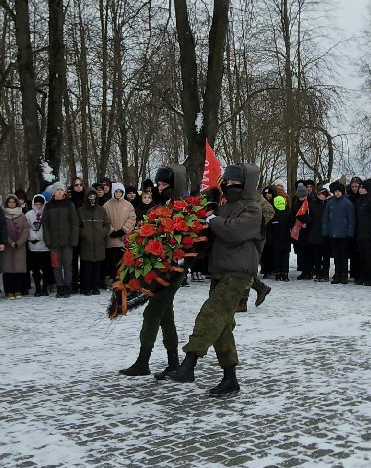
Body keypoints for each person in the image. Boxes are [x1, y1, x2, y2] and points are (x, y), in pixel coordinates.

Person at [164, 164, 263, 396]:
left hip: (238, 272)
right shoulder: (224, 207)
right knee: (222, 326)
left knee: (210, 315)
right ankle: (230, 378)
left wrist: (212, 220)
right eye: (226, 181)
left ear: (245, 183)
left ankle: (189, 364)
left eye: (233, 182)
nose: (228, 185)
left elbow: (234, 231)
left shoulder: (252, 209)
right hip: (220, 271)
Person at [121, 166, 187, 378]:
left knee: (152, 312)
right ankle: (173, 362)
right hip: (159, 267)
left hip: (173, 269)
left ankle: (143, 361)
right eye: (158, 184)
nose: (160, 188)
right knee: (166, 315)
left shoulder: (181, 208)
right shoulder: (159, 206)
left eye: (164, 184)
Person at [43, 184, 79, 297]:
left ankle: (67, 287)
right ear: (53, 192)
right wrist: (48, 241)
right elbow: (45, 225)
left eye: (61, 190)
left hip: (67, 242)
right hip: (54, 243)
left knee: (67, 265)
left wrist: (73, 240)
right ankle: (60, 286)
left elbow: (75, 224)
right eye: (57, 190)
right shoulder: (48, 206)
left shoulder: (69, 205)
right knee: (56, 265)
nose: (59, 192)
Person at [321, 178, 356, 283]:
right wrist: (325, 231)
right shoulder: (330, 203)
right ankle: (337, 274)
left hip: (344, 234)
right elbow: (325, 218)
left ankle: (344, 275)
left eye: (339, 191)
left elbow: (351, 219)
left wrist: (350, 233)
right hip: (333, 233)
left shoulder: (347, 203)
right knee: (336, 255)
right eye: (335, 191)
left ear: (342, 192)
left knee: (344, 255)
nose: (337, 193)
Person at [78, 187, 110, 294]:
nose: (92, 198)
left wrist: (102, 233)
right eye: (90, 196)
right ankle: (86, 288)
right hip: (86, 243)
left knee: (97, 267)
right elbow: (77, 226)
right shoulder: (81, 211)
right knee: (86, 267)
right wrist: (83, 234)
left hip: (99, 243)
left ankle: (95, 287)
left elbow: (107, 225)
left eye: (94, 196)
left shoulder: (101, 210)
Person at [262, 182, 294, 281]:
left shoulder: (285, 211)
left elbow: (291, 222)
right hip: (274, 236)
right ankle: (275, 271)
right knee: (274, 255)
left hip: (282, 236)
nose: (268, 195)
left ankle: (281, 272)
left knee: (281, 255)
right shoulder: (267, 207)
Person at [351, 180, 371, 285]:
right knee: (362, 257)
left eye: (362, 187)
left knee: (369, 257)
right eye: (360, 187)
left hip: (369, 234)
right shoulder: (359, 201)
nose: (360, 189)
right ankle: (362, 276)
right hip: (361, 233)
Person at [105, 185, 136, 281]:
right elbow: (105, 220)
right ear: (113, 192)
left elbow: (132, 219)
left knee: (124, 261)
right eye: (116, 191)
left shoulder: (128, 205)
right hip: (112, 239)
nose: (118, 194)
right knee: (113, 261)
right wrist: (111, 231)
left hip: (124, 238)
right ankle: (114, 279)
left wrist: (124, 230)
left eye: (120, 192)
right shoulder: (107, 205)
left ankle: (123, 280)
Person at [2, 194, 30, 297]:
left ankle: (18, 290)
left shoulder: (22, 216)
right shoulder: (3, 216)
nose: (12, 204)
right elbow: (2, 231)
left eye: (13, 202)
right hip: (8, 246)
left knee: (19, 269)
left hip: (20, 246)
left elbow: (26, 230)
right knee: (8, 270)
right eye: (10, 202)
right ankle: (9, 291)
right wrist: (10, 242)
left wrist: (19, 242)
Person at [26, 193, 52, 296]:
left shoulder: (47, 214)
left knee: (46, 269)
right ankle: (37, 289)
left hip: (45, 246)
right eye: (36, 204)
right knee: (35, 269)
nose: (38, 206)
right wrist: (33, 236)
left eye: (41, 204)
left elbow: (48, 228)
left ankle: (45, 288)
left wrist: (41, 236)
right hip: (33, 247)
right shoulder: (29, 214)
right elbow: (26, 228)